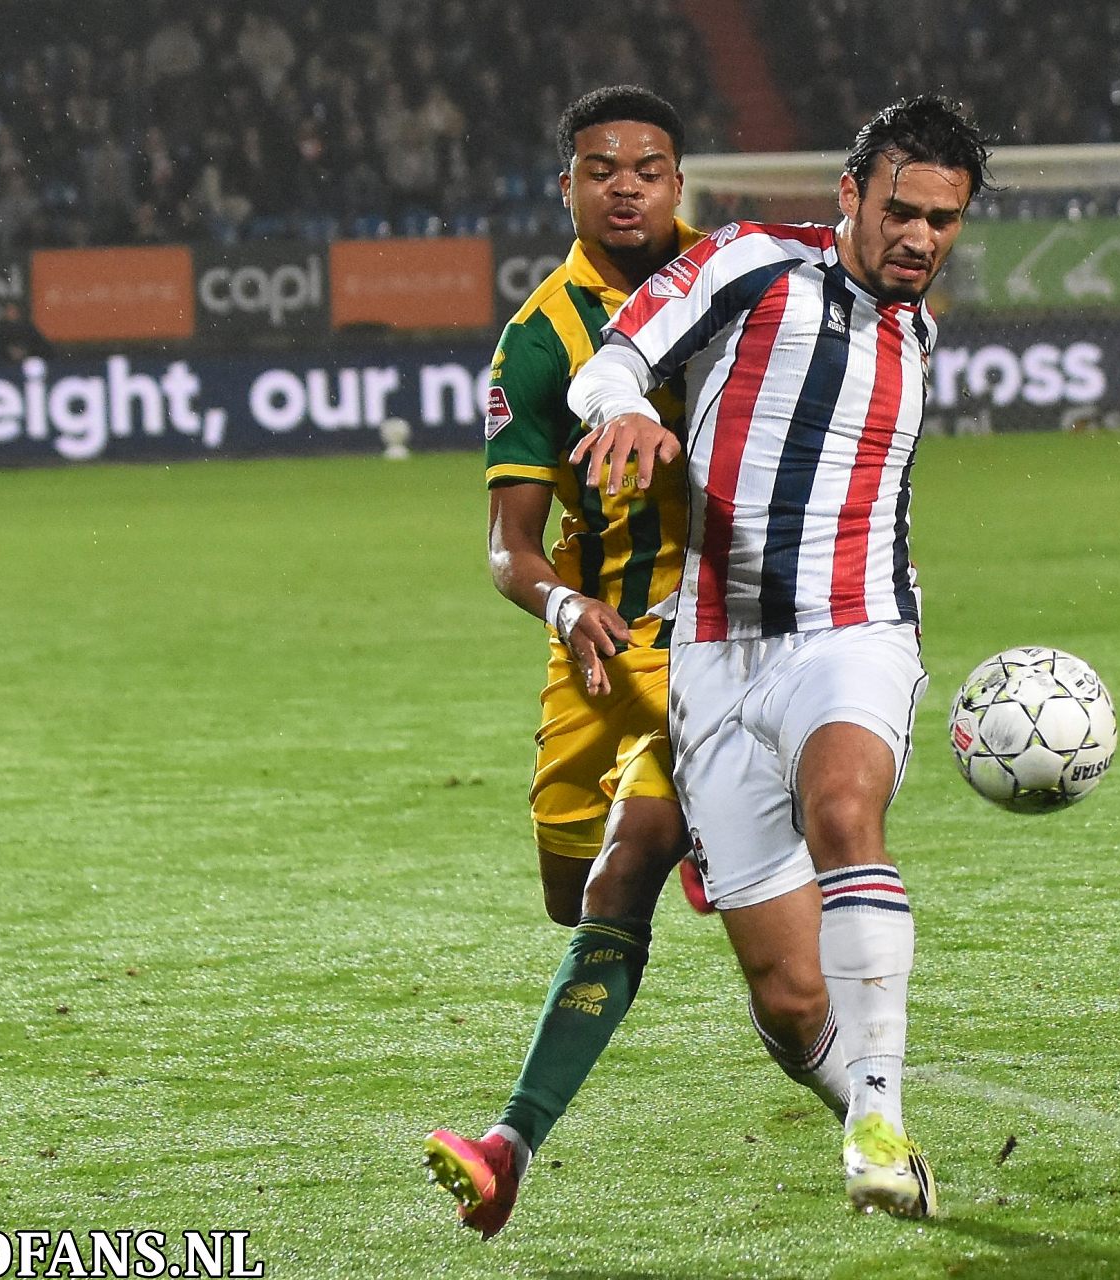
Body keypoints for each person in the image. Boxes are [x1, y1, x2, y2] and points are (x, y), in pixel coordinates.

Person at [565, 93, 994, 1219]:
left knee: (847, 805)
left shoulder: (918, 328)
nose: (920, 238)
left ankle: (883, 1117)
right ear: (848, 194)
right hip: (713, 658)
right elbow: (613, 360)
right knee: (790, 997)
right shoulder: (749, 263)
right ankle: (865, 1112)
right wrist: (629, 412)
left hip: (856, 633)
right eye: (901, 210)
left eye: (944, 222)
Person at [422, 85, 709, 1241]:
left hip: (721, 640)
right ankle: (699, 834)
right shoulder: (539, 336)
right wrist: (559, 600)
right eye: (603, 167)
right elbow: (508, 547)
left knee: (616, 882)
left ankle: (511, 1140)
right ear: (569, 187)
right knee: (562, 890)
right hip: (599, 641)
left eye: (648, 166)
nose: (627, 183)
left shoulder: (733, 280)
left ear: (678, 181)